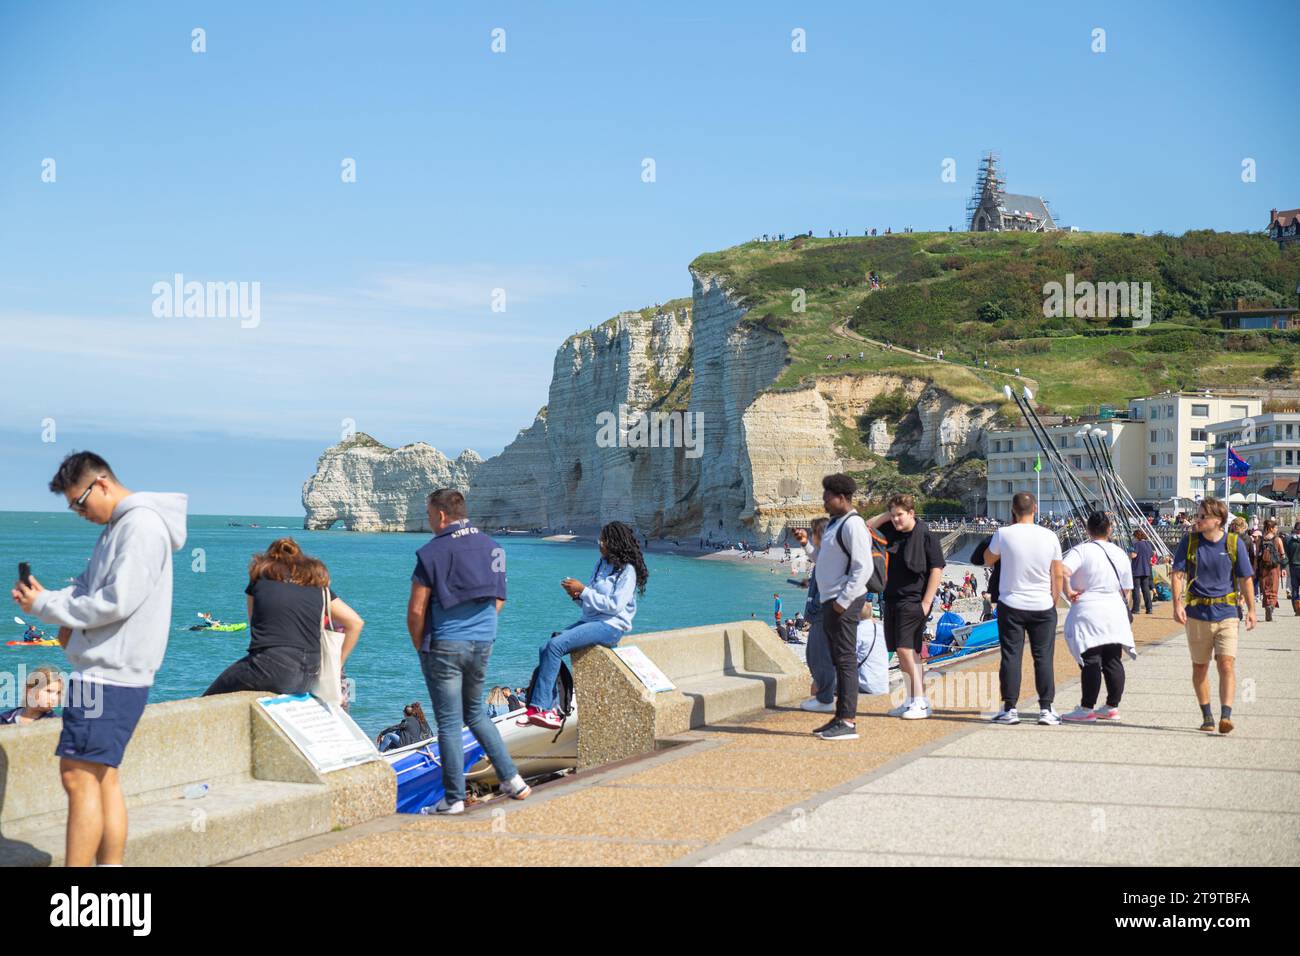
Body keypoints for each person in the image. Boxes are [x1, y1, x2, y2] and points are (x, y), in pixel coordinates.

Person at [11, 451, 187, 866]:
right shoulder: (121, 526)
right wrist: (46, 601)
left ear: (102, 483)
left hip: (110, 677)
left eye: (80, 502)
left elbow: (115, 601)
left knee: (78, 777)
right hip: (113, 674)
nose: (79, 512)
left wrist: (46, 608)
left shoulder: (140, 526)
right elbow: (88, 590)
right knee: (103, 778)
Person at [407, 488, 531, 813]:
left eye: (431, 515)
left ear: (442, 515)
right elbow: (499, 599)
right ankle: (513, 780)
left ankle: (453, 799)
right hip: (483, 642)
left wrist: (421, 648)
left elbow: (417, 611)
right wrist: (480, 629)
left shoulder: (430, 553)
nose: (431, 521)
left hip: (445, 645)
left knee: (448, 723)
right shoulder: (494, 547)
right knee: (475, 712)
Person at [524, 520, 648, 730]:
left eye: (604, 539)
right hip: (592, 621)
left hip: (611, 626)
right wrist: (576, 595)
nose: (599, 542)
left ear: (615, 542)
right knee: (546, 646)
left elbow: (615, 606)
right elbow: (590, 602)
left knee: (556, 646)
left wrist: (584, 590)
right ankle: (548, 708)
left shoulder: (628, 571)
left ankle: (543, 709)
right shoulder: (601, 564)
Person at [203, 539, 364, 697]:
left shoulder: (259, 580)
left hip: (270, 667)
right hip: (309, 675)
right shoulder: (318, 587)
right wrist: (335, 667)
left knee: (206, 700)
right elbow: (355, 623)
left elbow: (255, 625)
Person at [792, 474, 873, 741]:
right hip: (832, 603)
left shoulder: (854, 525)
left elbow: (864, 567)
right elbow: (823, 560)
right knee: (839, 659)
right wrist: (805, 545)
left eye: (827, 496)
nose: (824, 501)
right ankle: (839, 717)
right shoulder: (837, 524)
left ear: (841, 497)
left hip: (842, 604)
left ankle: (848, 722)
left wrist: (842, 602)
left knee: (846, 661)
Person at [1171, 497, 1256, 735]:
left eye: (1202, 517)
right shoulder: (1189, 542)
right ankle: (1207, 715)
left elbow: (1245, 578)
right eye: (1197, 516)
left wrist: (1251, 610)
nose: (1197, 520)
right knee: (1200, 668)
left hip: (1227, 613)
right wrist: (1177, 604)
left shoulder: (1234, 543)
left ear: (1217, 520)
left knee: (1226, 663)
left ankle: (1226, 716)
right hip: (1197, 613)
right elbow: (1177, 574)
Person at [985, 492, 1063, 725]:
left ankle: (1010, 708)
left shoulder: (1004, 533)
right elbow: (1057, 574)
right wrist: (1053, 600)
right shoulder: (1050, 535)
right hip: (1042, 604)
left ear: (1013, 510)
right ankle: (1046, 709)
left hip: (1012, 603)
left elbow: (989, 559)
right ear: (1035, 509)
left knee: (1011, 656)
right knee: (1043, 657)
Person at [865, 494, 944, 719]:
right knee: (907, 653)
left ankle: (919, 701)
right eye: (893, 515)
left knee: (905, 650)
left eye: (900, 515)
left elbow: (937, 568)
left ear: (911, 513)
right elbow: (866, 527)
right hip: (891, 599)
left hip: (913, 601)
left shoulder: (926, 536)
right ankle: (914, 699)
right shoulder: (890, 532)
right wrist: (888, 513)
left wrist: (926, 603)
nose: (896, 520)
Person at [1056, 512, 1135, 723]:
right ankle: (1111, 706)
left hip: (1089, 608)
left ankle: (1086, 707)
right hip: (1115, 608)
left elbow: (1063, 570)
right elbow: (1126, 588)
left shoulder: (1081, 550)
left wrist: (1069, 591)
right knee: (1113, 659)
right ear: (1109, 530)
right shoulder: (1120, 553)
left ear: (1087, 530)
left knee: (1091, 659)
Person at [797, 519, 836, 714]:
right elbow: (815, 556)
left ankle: (825, 699)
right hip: (821, 616)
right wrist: (805, 544)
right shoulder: (827, 556)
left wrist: (814, 611)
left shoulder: (831, 559)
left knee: (819, 658)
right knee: (815, 657)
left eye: (813, 534)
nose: (812, 536)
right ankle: (824, 697)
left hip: (822, 616)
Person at [1256, 518, 1285, 622]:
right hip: (1274, 567)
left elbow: (1257, 555)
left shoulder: (1260, 539)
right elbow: (1283, 555)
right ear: (1271, 528)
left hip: (1263, 567)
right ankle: (1271, 606)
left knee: (1265, 588)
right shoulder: (1277, 540)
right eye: (1276, 527)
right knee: (1274, 587)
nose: (1277, 529)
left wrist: (1256, 567)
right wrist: (1283, 567)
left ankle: (1267, 605)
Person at [1127, 528, 1155, 615]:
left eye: (1134, 537)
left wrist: (1128, 553)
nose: (1133, 538)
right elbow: (1152, 555)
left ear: (1136, 536)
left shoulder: (1137, 544)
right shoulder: (1148, 544)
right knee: (1146, 589)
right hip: (1146, 569)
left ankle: (1136, 608)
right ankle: (1149, 608)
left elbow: (1134, 555)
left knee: (1136, 589)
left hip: (1137, 569)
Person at [1286, 521, 1300, 616]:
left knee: (1294, 589)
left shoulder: (1289, 540)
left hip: (1293, 566)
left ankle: (1297, 609)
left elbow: (1286, 554)